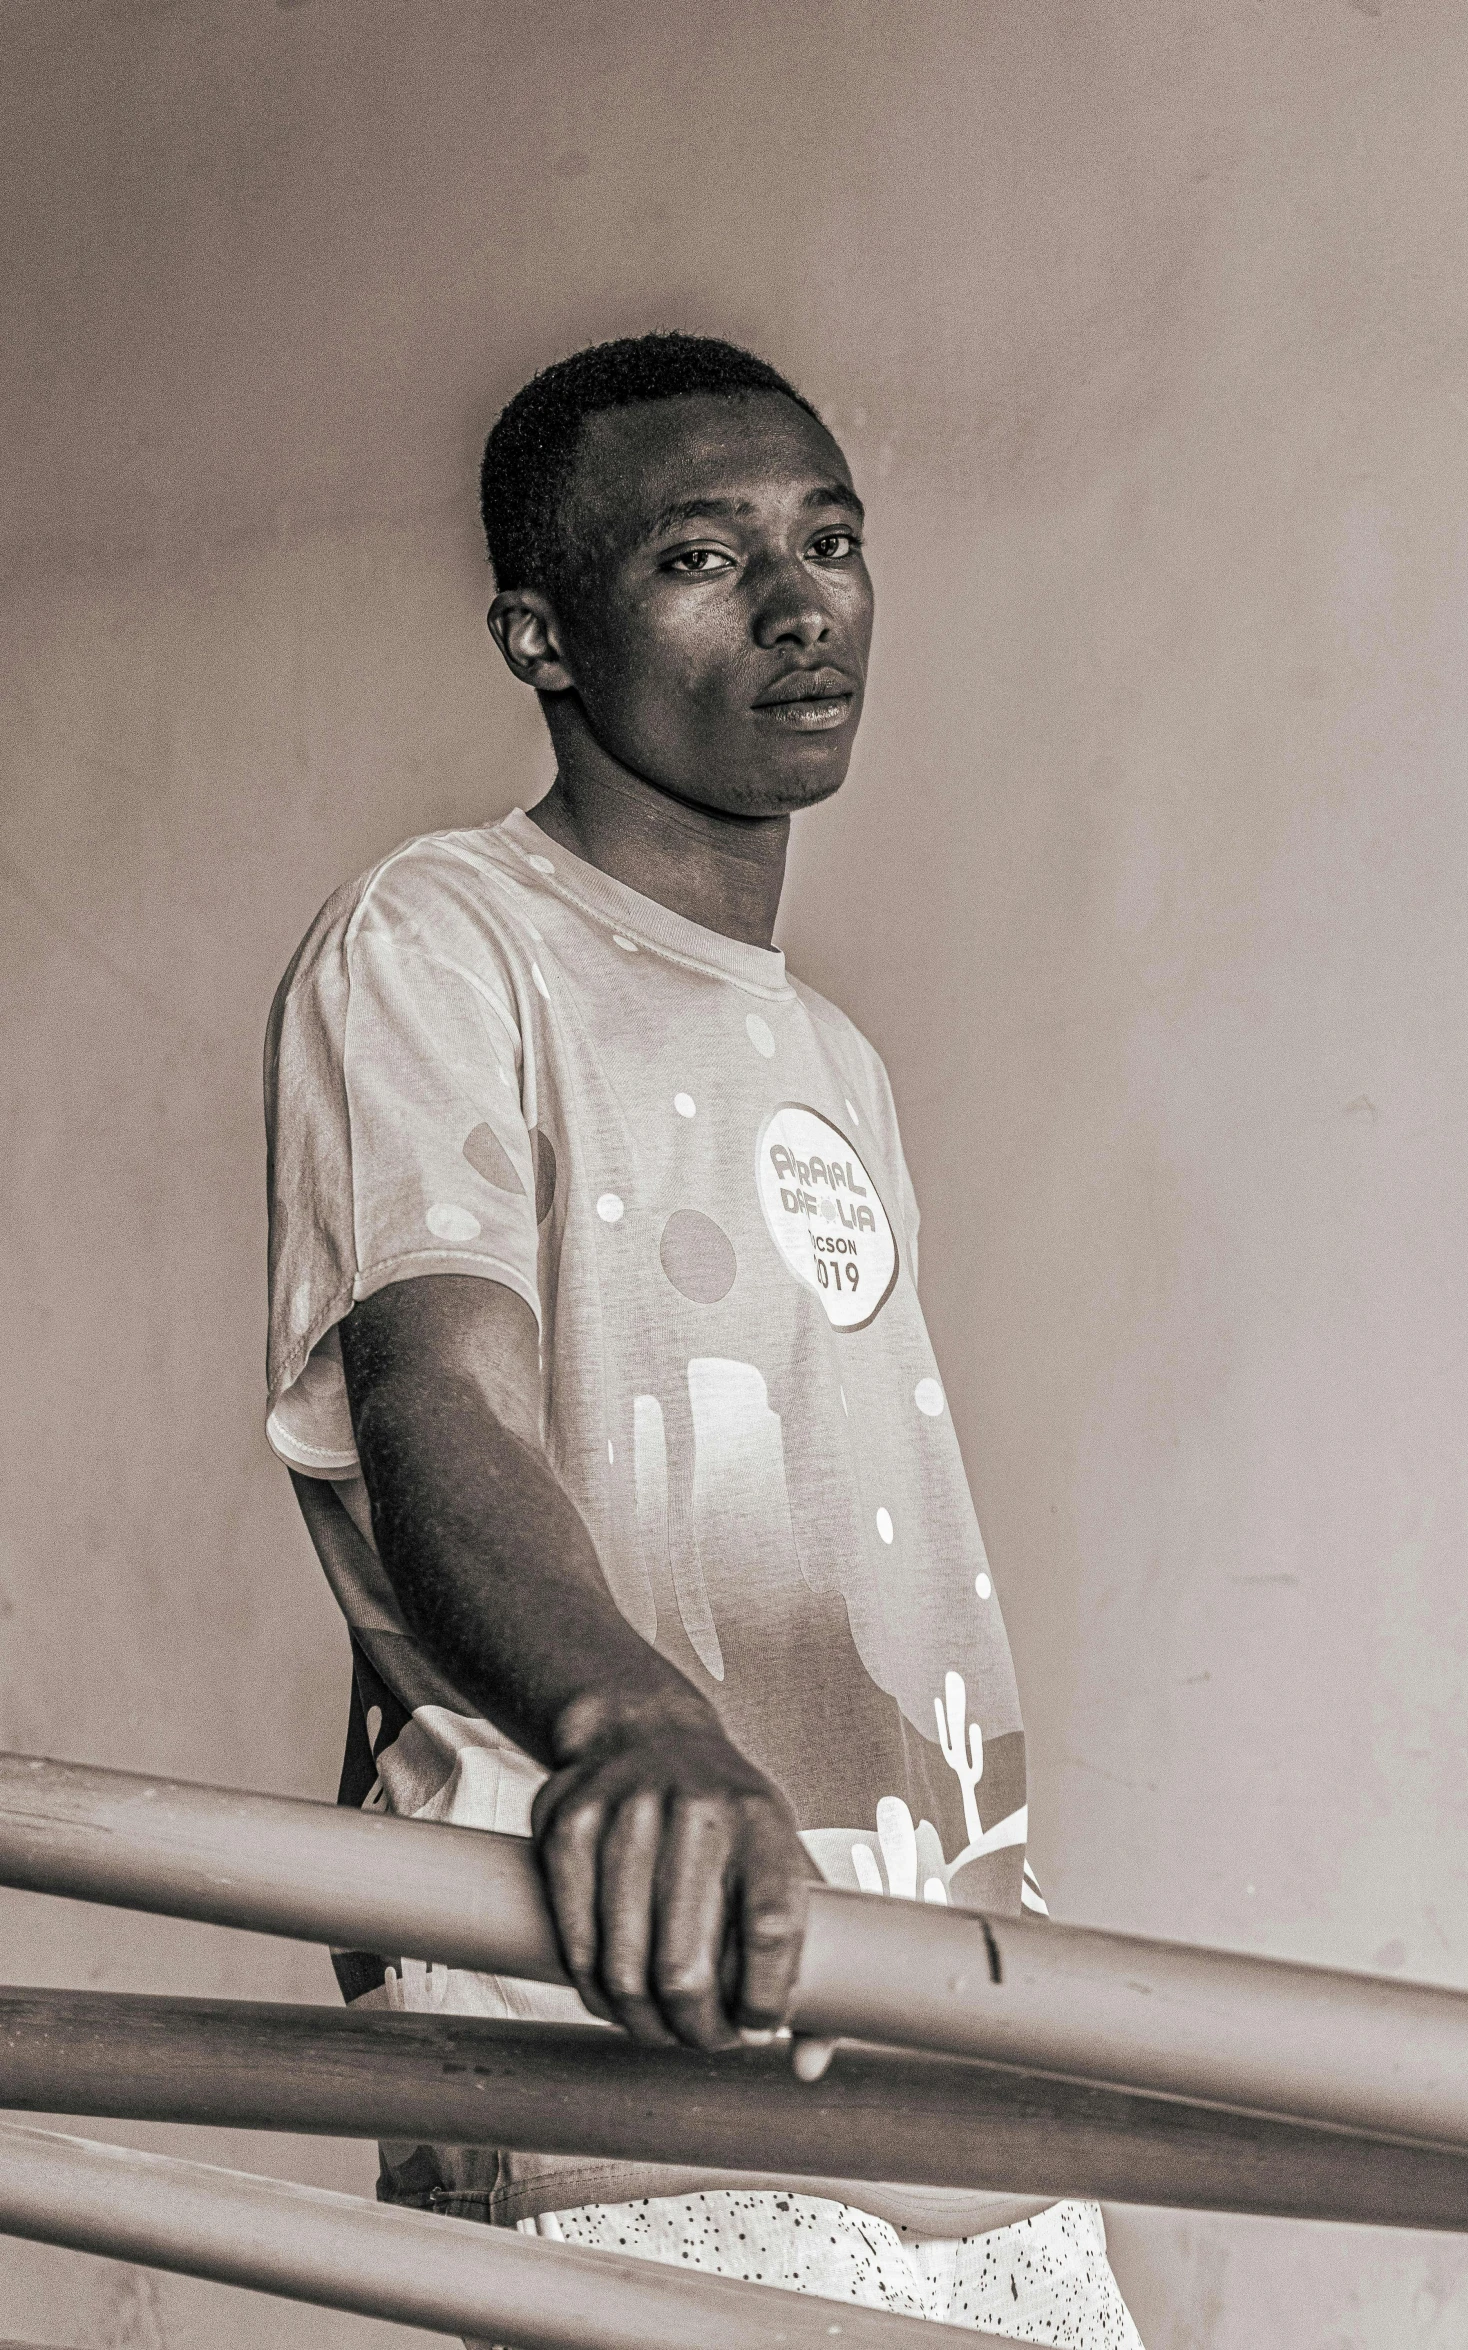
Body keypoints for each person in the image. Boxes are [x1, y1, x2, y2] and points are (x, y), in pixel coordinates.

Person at [264, 332, 1142, 2344]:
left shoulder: (833, 1053)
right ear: (538, 629)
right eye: (697, 553)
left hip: (940, 2040)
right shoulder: (441, 935)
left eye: (829, 538)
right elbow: (437, 1387)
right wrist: (628, 1720)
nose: (798, 597)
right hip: (631, 2034)